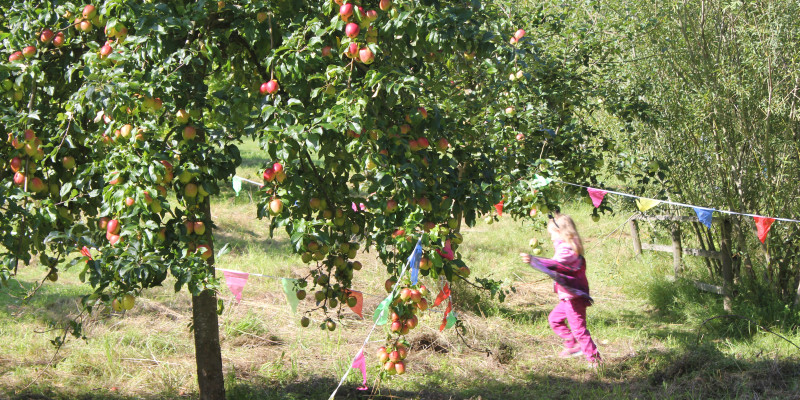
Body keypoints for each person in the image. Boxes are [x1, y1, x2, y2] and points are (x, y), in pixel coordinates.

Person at [520, 213, 602, 368]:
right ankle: (573, 345)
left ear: (562, 232)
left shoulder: (566, 249)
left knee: (579, 330)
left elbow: (555, 264)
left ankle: (594, 360)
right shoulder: (565, 246)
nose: (551, 238)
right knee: (554, 319)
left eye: (552, 234)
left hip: (573, 297)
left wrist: (535, 260)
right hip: (568, 296)